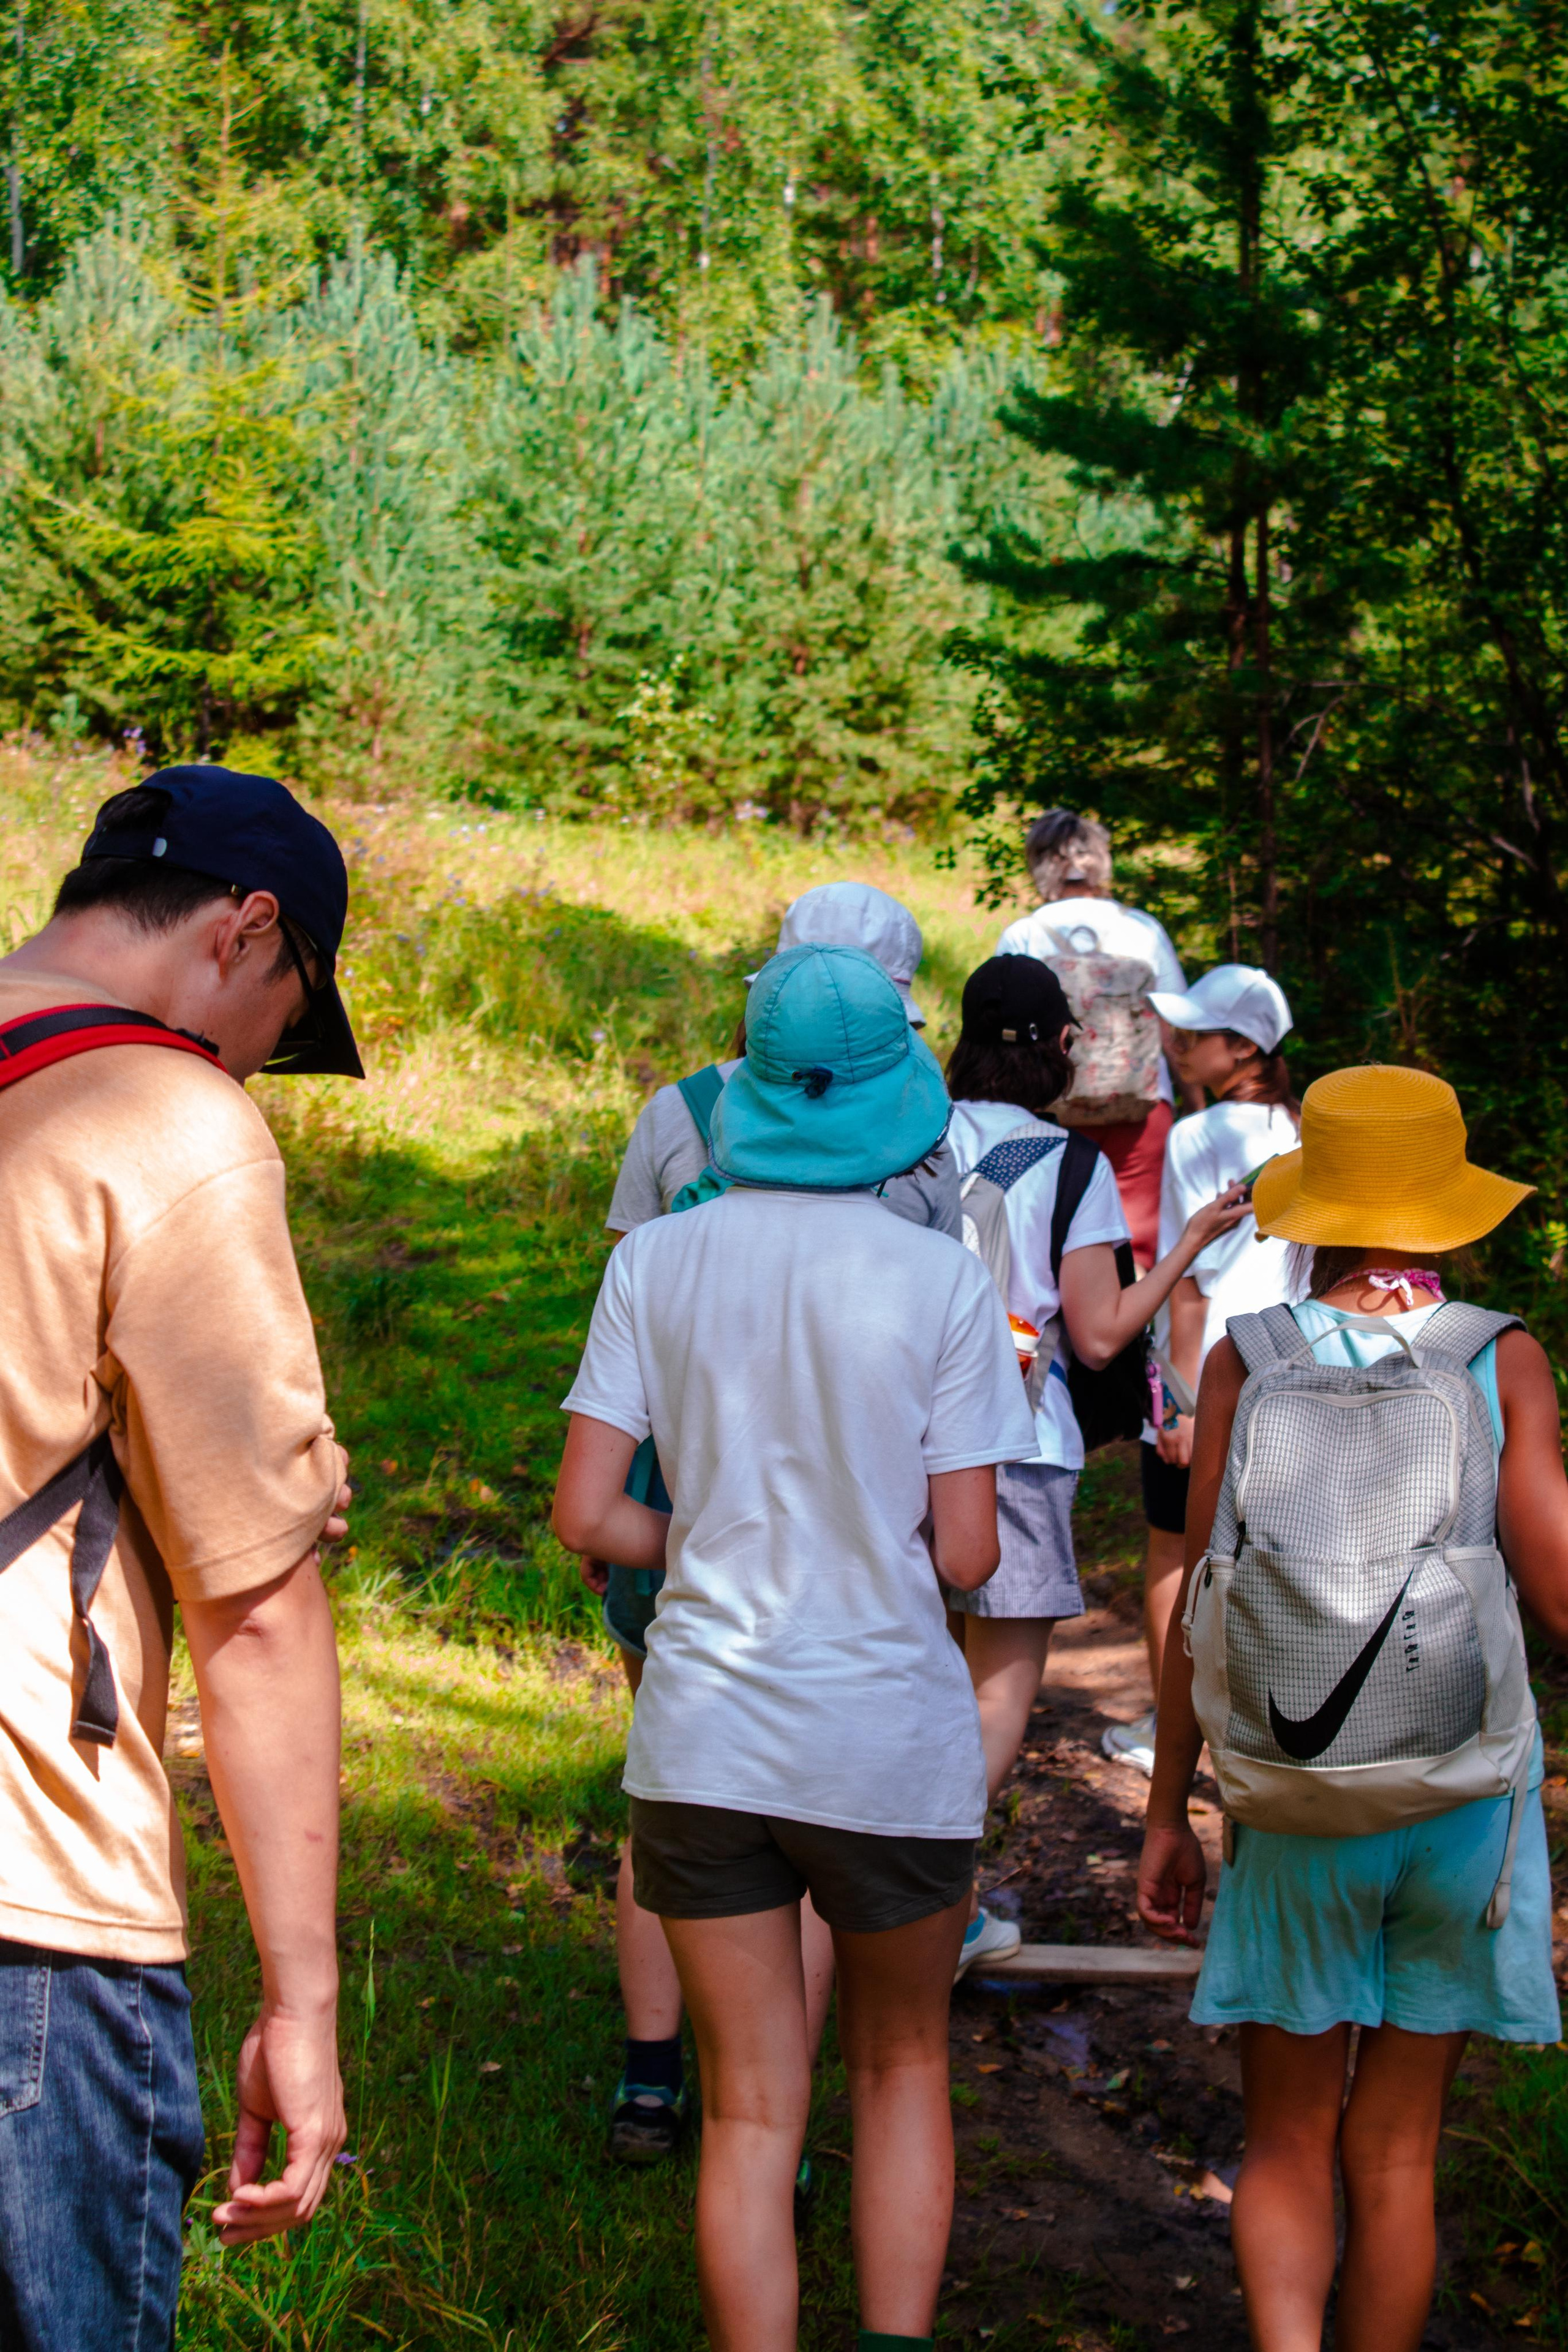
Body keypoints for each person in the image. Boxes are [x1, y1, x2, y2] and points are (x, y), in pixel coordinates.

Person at [554, 943, 1038, 2352]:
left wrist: (707, 1536)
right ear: (894, 1096)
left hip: (702, 1736)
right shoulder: (940, 1281)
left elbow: (585, 1509)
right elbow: (963, 1554)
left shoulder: (653, 1258)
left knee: (750, 2106)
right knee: (895, 2069)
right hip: (884, 1738)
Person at [0, 766, 360, 2350]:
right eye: (277, 1021)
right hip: (34, 1894)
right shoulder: (166, 1119)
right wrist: (304, 2002)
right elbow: (261, 1616)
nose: (255, 1063)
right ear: (245, 930)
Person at [1137, 1065, 1565, 2352]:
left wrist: (1166, 1808)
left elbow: (1200, 1603)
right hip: (1456, 1803)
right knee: (1391, 2156)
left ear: (1307, 1203)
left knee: (1282, 2138)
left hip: (1286, 1799)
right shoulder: (1499, 1359)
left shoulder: (1244, 1360)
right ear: (1449, 1207)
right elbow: (1555, 1589)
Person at [595, 879, 956, 2166]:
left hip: (682, 1519)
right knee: (820, 1837)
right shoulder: (932, 1207)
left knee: (679, 1781)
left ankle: (654, 2080)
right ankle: (785, 2121)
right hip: (860, 1601)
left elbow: (614, 1388)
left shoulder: (668, 1124)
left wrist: (688, 1536)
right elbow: (956, 1532)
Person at [944, 957, 1247, 1971]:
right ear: (1068, 1045)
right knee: (996, 1691)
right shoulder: (1071, 1165)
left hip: (891, 1450)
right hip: (1017, 1452)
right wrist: (1189, 1243)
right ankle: (930, 1907)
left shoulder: (905, 1145)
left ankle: (910, 1902)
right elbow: (1104, 1333)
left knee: (919, 1675)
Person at [1102, 963, 1298, 1779]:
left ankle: (1169, 1726)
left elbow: (1188, 1284)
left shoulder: (1198, 1137)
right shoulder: (1308, 1131)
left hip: (1210, 1365)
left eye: (1195, 1035)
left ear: (1244, 1047)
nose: (1178, 1047)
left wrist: (1178, 1405)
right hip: (1293, 1364)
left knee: (1176, 1552)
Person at [995, 808, 1197, 1270]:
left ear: (1040, 865)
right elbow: (1176, 1027)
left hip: (1052, 1104)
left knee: (1055, 1230)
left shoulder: (1024, 934)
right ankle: (1133, 1330)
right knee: (1136, 1237)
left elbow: (1003, 1035)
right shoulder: (1142, 928)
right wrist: (1197, 1105)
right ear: (1101, 862)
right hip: (1143, 1104)